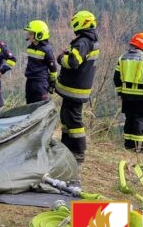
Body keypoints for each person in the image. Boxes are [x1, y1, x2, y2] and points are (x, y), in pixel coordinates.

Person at [56, 10, 100, 176]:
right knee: (66, 119)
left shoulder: (83, 42)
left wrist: (61, 58)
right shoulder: (90, 40)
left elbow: (74, 62)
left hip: (75, 88)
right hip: (76, 88)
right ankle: (66, 148)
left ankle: (78, 153)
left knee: (74, 122)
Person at [114, 32, 143, 152]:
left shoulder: (122, 58)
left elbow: (116, 78)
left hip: (126, 96)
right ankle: (138, 149)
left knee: (129, 119)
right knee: (139, 120)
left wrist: (121, 93)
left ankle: (128, 146)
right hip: (141, 97)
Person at [23, 20, 58, 104]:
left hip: (40, 83)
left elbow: (53, 69)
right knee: (29, 107)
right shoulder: (30, 48)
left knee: (40, 107)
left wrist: (52, 84)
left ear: (39, 35)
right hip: (30, 81)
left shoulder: (47, 50)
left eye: (31, 33)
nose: (28, 35)